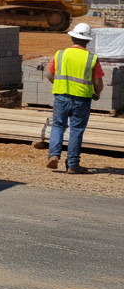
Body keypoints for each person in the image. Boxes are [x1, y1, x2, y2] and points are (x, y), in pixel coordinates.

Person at [45, 22, 103, 175]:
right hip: (82, 100)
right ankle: (72, 165)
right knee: (76, 131)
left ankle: (54, 155)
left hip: (61, 97)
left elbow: (49, 74)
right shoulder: (91, 58)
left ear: (72, 38)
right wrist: (97, 93)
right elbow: (98, 82)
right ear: (88, 41)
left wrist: (58, 84)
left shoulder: (60, 54)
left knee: (58, 126)